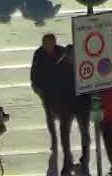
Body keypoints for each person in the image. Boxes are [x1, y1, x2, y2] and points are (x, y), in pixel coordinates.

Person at [30, 34, 78, 168]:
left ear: (54, 43)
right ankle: (54, 138)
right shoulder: (39, 54)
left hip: (61, 91)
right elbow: (34, 72)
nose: (47, 47)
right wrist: (36, 87)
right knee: (49, 116)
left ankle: (64, 141)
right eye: (45, 44)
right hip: (46, 91)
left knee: (64, 119)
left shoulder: (61, 51)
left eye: (49, 44)